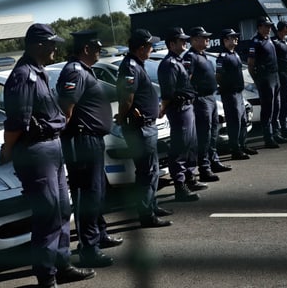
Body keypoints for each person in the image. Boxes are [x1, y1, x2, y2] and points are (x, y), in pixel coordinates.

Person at [1, 23, 95, 288]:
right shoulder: (22, 75)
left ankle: (62, 265)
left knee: (63, 210)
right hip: (36, 151)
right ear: (37, 45)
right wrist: (8, 149)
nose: (56, 47)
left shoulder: (38, 72)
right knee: (49, 214)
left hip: (52, 146)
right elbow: (16, 123)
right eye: (51, 43)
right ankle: (47, 276)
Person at [56, 29, 122, 268]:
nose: (99, 53)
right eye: (96, 49)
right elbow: (66, 109)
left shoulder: (84, 71)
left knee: (98, 192)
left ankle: (99, 234)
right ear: (85, 49)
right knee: (87, 196)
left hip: (92, 140)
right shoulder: (74, 71)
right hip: (82, 142)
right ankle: (89, 248)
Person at [116, 28, 173, 228]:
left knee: (152, 171)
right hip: (139, 129)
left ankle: (152, 206)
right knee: (146, 173)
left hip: (148, 126)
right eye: (149, 46)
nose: (151, 49)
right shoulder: (130, 67)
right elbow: (127, 98)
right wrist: (123, 118)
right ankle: (146, 215)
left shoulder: (138, 64)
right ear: (141, 48)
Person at [156, 27, 206, 199]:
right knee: (180, 147)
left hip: (188, 107)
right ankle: (180, 185)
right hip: (178, 109)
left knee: (191, 145)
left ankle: (190, 177)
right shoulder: (169, 64)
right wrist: (163, 109)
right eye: (181, 40)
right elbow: (168, 92)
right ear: (171, 44)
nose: (185, 42)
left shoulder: (179, 61)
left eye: (185, 40)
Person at [184, 26, 231, 182]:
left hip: (211, 98)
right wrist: (194, 97)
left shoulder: (202, 55)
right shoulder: (190, 56)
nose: (208, 40)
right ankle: (204, 169)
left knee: (212, 133)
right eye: (204, 37)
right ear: (195, 40)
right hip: (201, 100)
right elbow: (186, 80)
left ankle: (214, 161)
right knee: (204, 136)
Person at [215, 28, 258, 159]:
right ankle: (235, 149)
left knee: (243, 120)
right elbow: (218, 76)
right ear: (225, 40)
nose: (236, 39)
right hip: (230, 94)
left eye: (236, 37)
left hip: (239, 93)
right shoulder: (223, 57)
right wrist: (227, 87)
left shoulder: (235, 54)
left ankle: (243, 145)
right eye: (232, 37)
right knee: (234, 122)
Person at [247, 16, 287, 148]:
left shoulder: (269, 39)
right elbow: (250, 65)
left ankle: (276, 133)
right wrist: (258, 81)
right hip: (265, 79)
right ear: (259, 27)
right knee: (268, 109)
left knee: (277, 106)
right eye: (266, 26)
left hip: (275, 76)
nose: (269, 28)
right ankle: (268, 137)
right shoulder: (256, 42)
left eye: (270, 26)